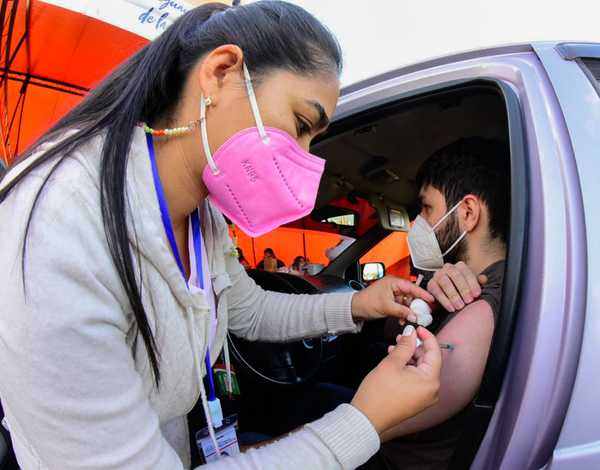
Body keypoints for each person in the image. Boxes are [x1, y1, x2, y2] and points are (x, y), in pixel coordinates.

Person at [0, 3, 447, 469]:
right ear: (221, 72)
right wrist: (364, 421)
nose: (304, 159)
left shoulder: (202, 216)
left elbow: (247, 310)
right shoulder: (59, 227)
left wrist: (357, 304)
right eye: (299, 125)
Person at [361, 137, 510, 470]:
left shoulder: (485, 305)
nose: (419, 224)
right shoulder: (456, 284)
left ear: (468, 213)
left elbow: (378, 420)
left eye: (427, 208)